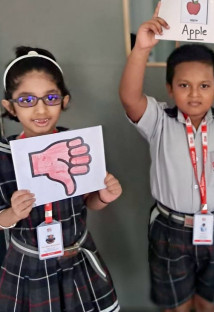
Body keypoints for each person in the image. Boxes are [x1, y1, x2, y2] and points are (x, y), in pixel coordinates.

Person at [119, 3, 214, 312]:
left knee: (209, 306)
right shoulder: (158, 120)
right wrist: (141, 50)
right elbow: (130, 98)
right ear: (170, 88)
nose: (194, 94)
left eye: (204, 86)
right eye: (184, 85)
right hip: (170, 228)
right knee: (177, 307)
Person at [0, 46, 122, 311]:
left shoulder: (77, 146)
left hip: (77, 259)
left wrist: (103, 196)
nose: (41, 109)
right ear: (10, 106)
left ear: (64, 100)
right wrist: (12, 214)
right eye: (27, 100)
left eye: (51, 97)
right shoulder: (3, 155)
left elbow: (88, 203)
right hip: (30, 267)